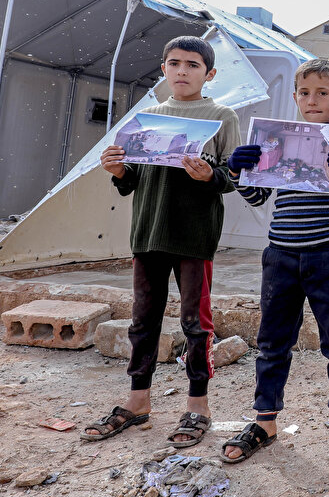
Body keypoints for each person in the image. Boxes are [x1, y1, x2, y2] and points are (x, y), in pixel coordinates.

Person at [220, 58, 329, 465]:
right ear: (295, 97)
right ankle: (265, 421)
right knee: (272, 343)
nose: (312, 100)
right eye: (304, 92)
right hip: (279, 257)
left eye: (323, 92)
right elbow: (259, 198)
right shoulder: (274, 143)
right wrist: (239, 171)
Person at [82, 36, 240, 449]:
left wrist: (210, 175)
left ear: (210, 73)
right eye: (174, 63)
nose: (182, 71)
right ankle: (137, 402)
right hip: (148, 233)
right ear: (164, 69)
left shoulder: (222, 116)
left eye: (192, 64)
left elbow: (234, 176)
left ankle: (198, 406)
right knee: (142, 321)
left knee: (195, 324)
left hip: (194, 235)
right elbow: (134, 178)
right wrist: (116, 170)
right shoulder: (148, 116)